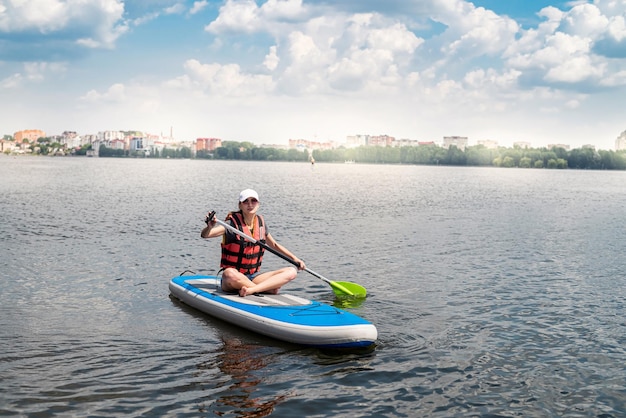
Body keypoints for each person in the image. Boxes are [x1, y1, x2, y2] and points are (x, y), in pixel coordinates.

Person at [201, 189, 306, 297]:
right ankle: (265, 288)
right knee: (229, 273)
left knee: (291, 271)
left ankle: (253, 289)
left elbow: (274, 245)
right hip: (234, 279)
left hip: (254, 277)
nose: (250, 204)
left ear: (258, 204)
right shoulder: (231, 225)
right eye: (246, 201)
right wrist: (209, 227)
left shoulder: (260, 224)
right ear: (240, 205)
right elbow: (206, 235)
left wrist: (295, 259)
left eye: (253, 201)